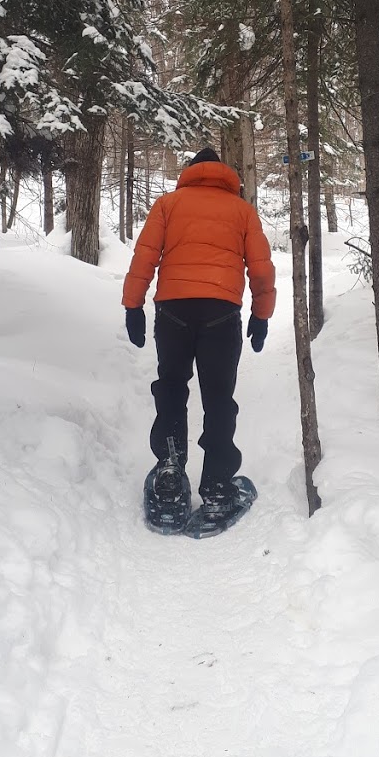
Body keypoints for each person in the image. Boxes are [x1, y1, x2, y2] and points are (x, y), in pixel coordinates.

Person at [122, 147, 276, 518]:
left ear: (191, 172)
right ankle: (219, 490)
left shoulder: (168, 204)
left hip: (173, 311)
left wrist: (133, 306)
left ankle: (170, 476)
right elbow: (260, 267)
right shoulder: (242, 210)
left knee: (172, 389)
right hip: (222, 314)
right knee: (219, 398)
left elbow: (144, 256)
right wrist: (261, 314)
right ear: (224, 175)